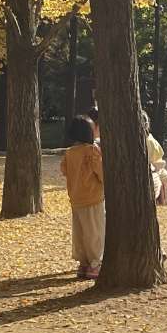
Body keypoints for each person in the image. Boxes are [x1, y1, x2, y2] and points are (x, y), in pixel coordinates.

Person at [60, 115, 104, 279]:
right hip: (93, 197)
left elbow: (64, 170)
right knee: (95, 232)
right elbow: (101, 171)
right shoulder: (91, 151)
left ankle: (83, 262)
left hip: (76, 198)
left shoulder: (70, 153)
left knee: (80, 232)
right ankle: (95, 263)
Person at [141, 109, 167, 205]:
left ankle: (162, 201)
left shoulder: (148, 139)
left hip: (152, 167)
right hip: (152, 168)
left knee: (162, 174)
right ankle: (162, 202)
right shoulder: (149, 139)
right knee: (162, 175)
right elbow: (157, 160)